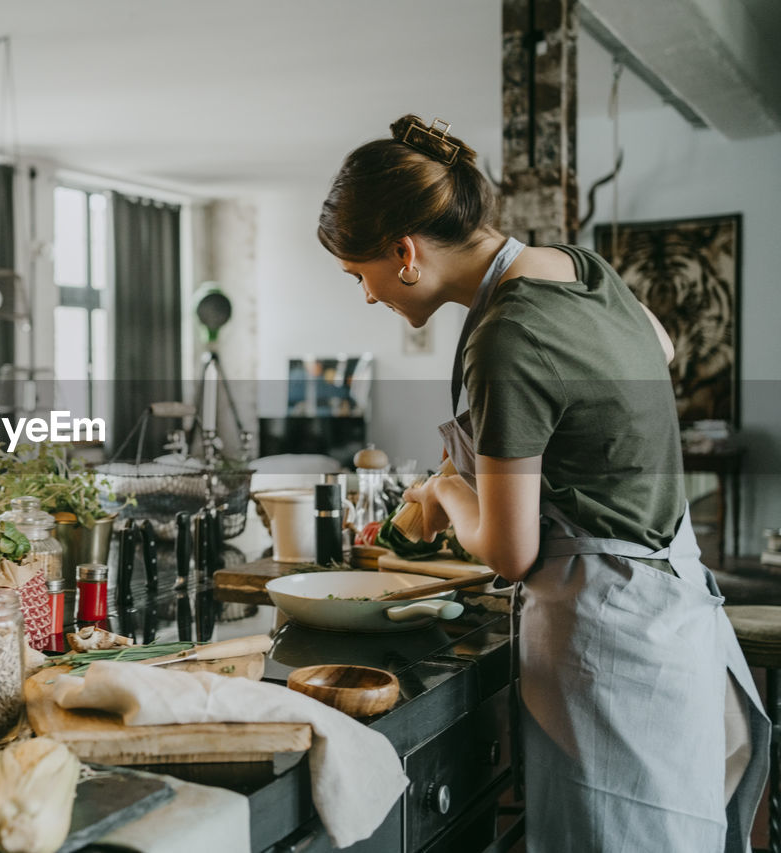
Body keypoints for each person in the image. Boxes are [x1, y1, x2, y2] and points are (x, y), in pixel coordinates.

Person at [317, 115, 768, 852]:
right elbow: (662, 344)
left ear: (404, 253)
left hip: (610, 635)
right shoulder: (579, 269)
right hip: (673, 614)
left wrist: (443, 494)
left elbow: (507, 551)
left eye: (356, 274)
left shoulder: (505, 334)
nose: (366, 295)